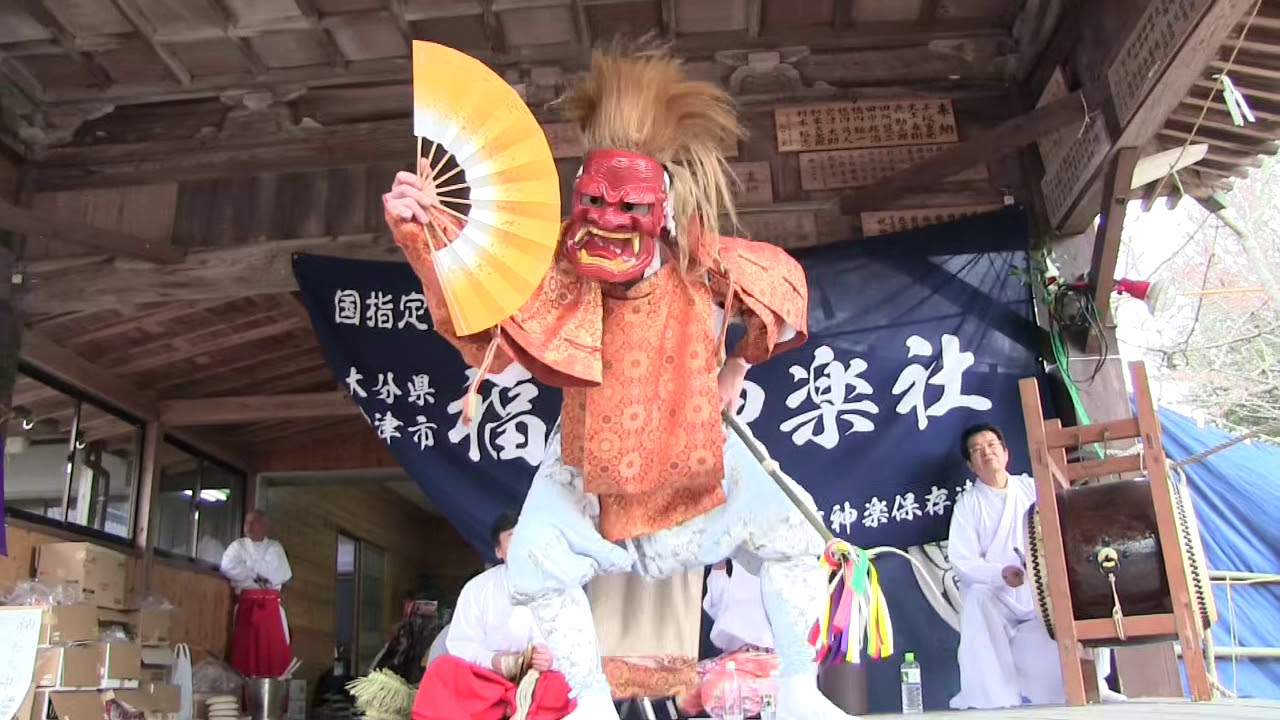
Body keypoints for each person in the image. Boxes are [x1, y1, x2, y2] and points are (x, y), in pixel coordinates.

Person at [385, 42, 847, 720]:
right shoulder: (556, 272)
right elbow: (493, 335)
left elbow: (779, 292)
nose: (607, 217)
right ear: (577, 194)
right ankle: (592, 704)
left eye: (629, 205)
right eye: (594, 200)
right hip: (587, 463)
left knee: (797, 536)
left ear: (662, 209)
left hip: (694, 450)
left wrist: (735, 366)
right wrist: (424, 237)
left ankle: (802, 693)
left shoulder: (697, 263)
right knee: (535, 561)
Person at [948, 424, 1124, 709]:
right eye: (977, 450)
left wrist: (1040, 567)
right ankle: (994, 699)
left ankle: (1094, 685)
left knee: (1087, 590)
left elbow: (1061, 528)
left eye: (992, 445)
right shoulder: (968, 505)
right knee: (978, 597)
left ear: (1006, 453)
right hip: (1000, 595)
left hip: (1041, 590)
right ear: (971, 465)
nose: (986, 453)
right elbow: (962, 561)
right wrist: (1000, 574)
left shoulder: (1032, 488)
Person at [412, 512, 575, 720]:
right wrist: (493, 660)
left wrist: (550, 659)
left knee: (562, 686)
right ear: (499, 551)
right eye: (513, 537)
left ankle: (518, 708)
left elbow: (574, 646)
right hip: (487, 681)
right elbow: (461, 643)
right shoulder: (477, 588)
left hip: (536, 681)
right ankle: (502, 707)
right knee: (442, 671)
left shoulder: (559, 589)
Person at [682, 561, 779, 718]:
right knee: (685, 688)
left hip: (777, 664)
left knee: (722, 691)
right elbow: (719, 605)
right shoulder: (743, 555)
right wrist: (719, 565)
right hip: (737, 661)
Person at [220, 510, 293, 678]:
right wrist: (255, 575)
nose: (249, 526)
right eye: (247, 522)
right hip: (246, 607)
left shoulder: (274, 547)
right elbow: (227, 567)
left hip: (271, 609)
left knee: (272, 654)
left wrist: (247, 566)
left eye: (254, 522)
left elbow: (275, 575)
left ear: (264, 525)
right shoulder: (237, 546)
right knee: (245, 654)